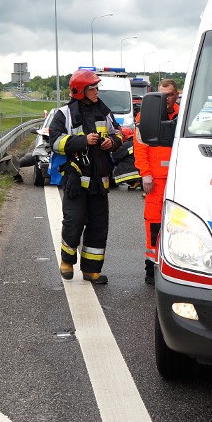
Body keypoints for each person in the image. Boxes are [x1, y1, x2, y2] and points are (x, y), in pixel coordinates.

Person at [49, 69, 123, 285]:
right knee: (74, 221)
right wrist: (82, 141)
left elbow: (119, 132)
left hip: (99, 179)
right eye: (92, 88)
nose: (96, 91)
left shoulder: (103, 111)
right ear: (80, 90)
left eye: (96, 87)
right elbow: (54, 142)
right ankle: (66, 262)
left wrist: (113, 141)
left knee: (99, 226)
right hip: (76, 180)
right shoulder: (64, 114)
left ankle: (92, 270)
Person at [134, 78, 180, 284]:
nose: (166, 99)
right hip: (156, 179)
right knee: (154, 223)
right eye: (162, 95)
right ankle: (151, 267)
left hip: (179, 179)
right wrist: (145, 173)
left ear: (176, 95)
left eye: (169, 95)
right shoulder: (145, 117)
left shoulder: (184, 116)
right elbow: (141, 148)